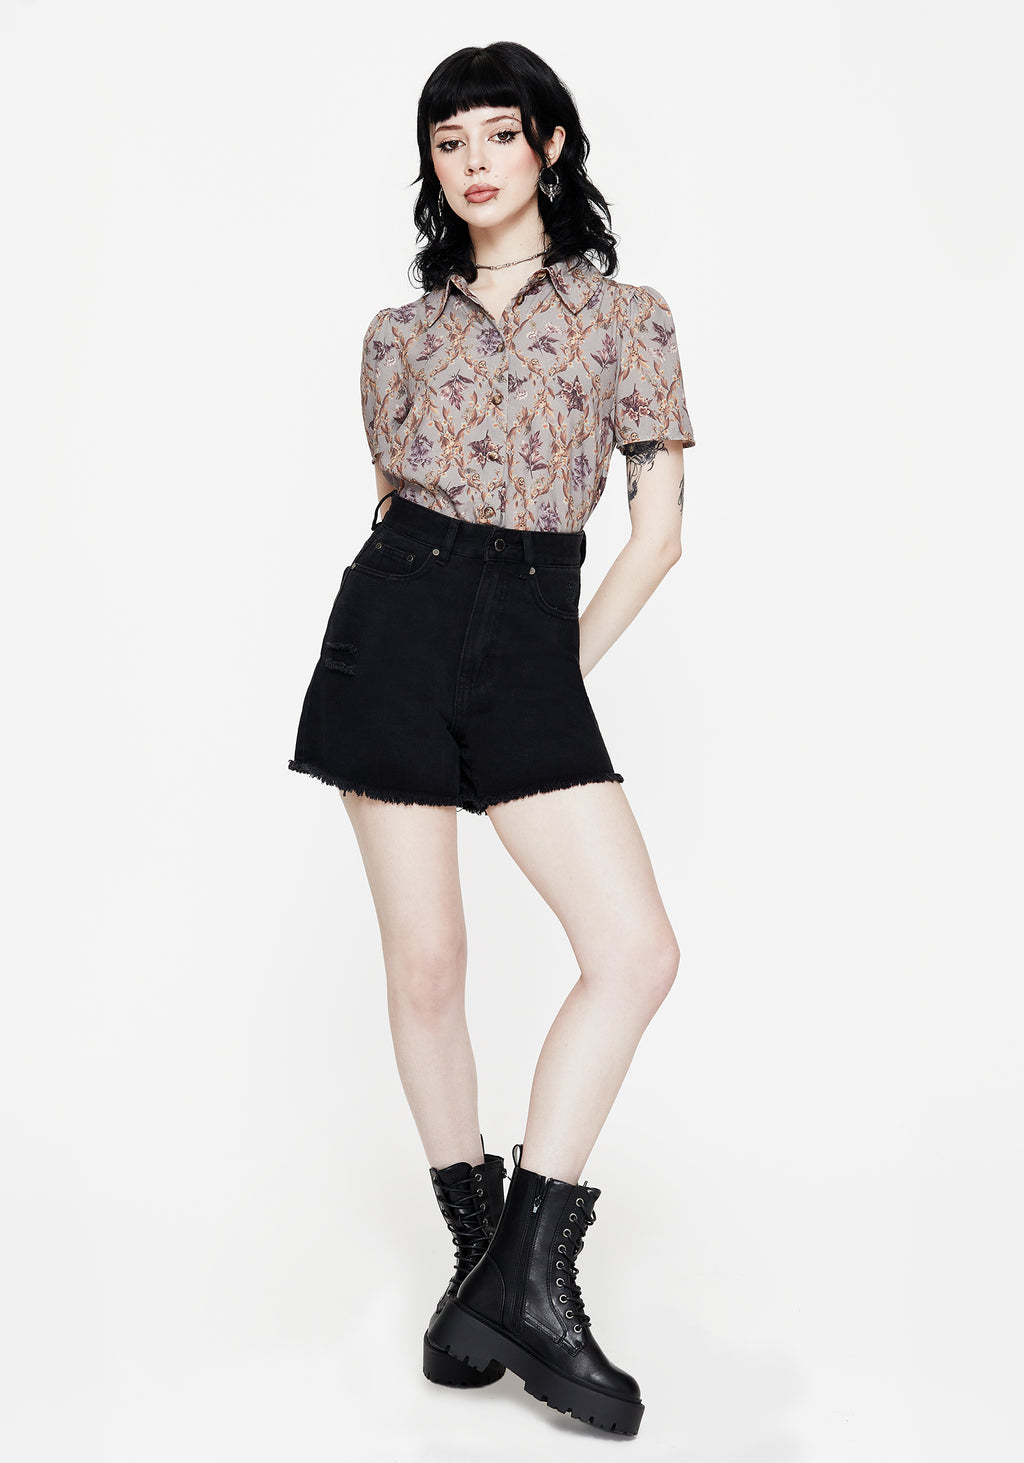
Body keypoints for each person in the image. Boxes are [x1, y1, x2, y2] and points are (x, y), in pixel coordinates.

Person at [288, 40, 695, 1438]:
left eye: (498, 135)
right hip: (395, 621)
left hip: (531, 622)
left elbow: (657, 538)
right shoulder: (397, 338)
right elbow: (388, 507)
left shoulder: (629, 318)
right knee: (427, 964)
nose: (472, 162)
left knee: (635, 952)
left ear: (550, 148)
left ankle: (525, 1274)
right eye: (447, 140)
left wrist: (544, 676)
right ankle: (483, 1280)